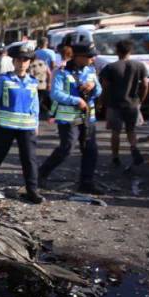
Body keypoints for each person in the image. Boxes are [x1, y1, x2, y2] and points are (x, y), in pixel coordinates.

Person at [0, 42, 43, 204]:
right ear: (14, 61)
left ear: (29, 62)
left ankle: (32, 189)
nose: (22, 63)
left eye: (25, 60)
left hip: (27, 126)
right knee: (0, 153)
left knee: (29, 158)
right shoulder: (4, 79)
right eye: (18, 59)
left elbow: (35, 104)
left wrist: (36, 123)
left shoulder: (32, 81)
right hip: (6, 125)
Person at [39, 43, 103, 193]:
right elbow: (55, 93)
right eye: (89, 56)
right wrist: (76, 100)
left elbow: (99, 90)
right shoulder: (61, 72)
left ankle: (86, 183)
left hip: (88, 117)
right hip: (69, 118)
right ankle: (41, 174)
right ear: (78, 57)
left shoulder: (91, 71)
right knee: (67, 147)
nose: (92, 59)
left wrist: (93, 86)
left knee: (90, 150)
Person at [99, 39, 148, 168]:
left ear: (116, 51)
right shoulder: (139, 66)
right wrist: (141, 100)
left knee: (115, 132)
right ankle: (133, 148)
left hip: (115, 104)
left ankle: (115, 157)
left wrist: (102, 101)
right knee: (131, 130)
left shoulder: (110, 67)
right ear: (130, 51)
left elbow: (105, 87)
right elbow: (145, 84)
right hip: (132, 103)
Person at [28, 52, 51, 120]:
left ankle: (36, 115)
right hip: (44, 85)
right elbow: (49, 73)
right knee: (43, 100)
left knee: (36, 102)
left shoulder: (31, 64)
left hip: (35, 86)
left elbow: (30, 75)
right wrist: (49, 83)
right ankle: (47, 113)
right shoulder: (43, 63)